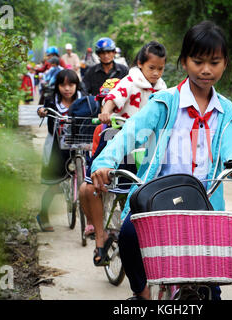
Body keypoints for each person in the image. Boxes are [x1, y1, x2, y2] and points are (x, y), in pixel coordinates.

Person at [91, 21, 232, 300]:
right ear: (184, 62)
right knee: (129, 235)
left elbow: (231, 143)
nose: (205, 70)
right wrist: (104, 162)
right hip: (156, 199)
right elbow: (128, 135)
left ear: (225, 63)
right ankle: (141, 294)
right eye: (197, 61)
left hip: (205, 202)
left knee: (211, 287)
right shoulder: (164, 104)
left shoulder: (225, 112)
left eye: (214, 62)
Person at [79, 41, 167, 264]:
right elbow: (112, 98)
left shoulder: (163, 89)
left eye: (160, 68)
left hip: (147, 147)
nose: (156, 73)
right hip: (119, 140)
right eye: (151, 68)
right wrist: (106, 113)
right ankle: (101, 237)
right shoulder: (129, 81)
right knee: (92, 185)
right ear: (140, 64)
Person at [36, 69, 83, 232]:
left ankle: (89, 223)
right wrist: (41, 111)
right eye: (63, 85)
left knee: (85, 183)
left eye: (71, 84)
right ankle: (43, 214)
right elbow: (41, 110)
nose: (67, 89)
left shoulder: (82, 100)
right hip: (56, 148)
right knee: (54, 186)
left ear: (77, 85)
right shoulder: (51, 101)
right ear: (57, 86)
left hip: (78, 148)